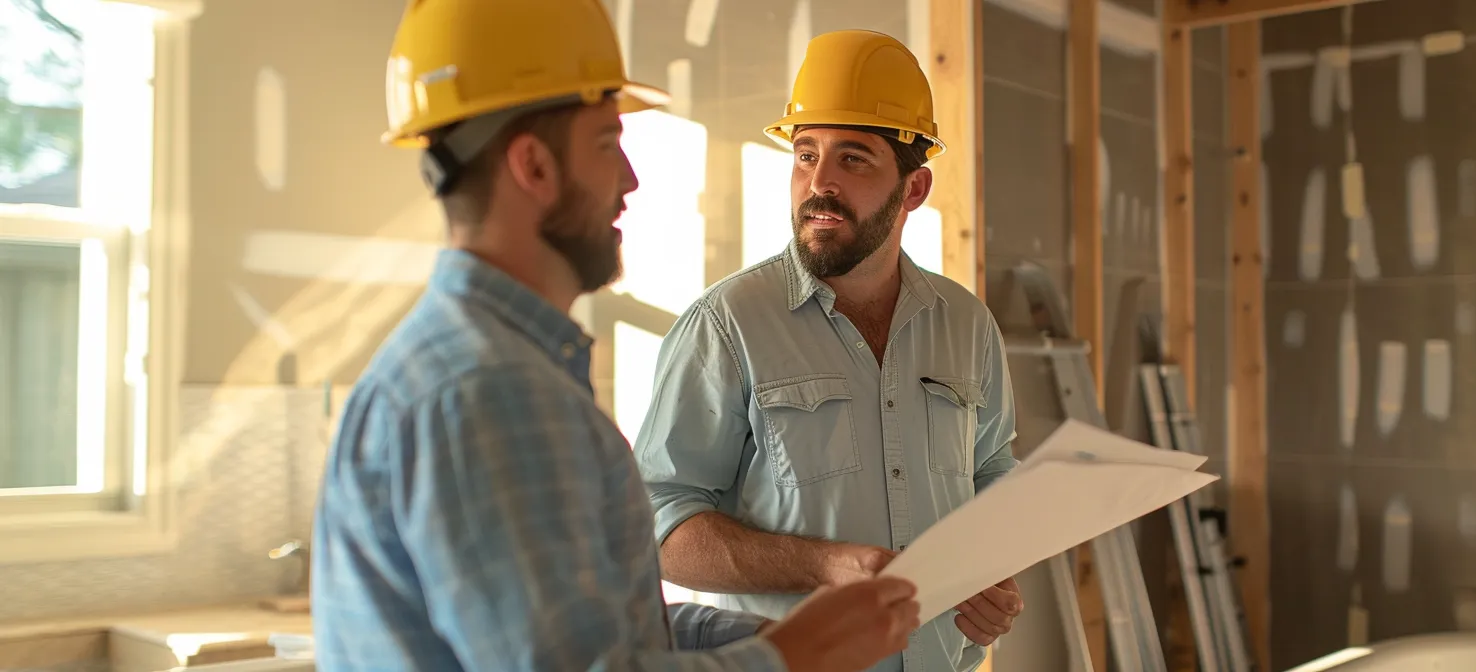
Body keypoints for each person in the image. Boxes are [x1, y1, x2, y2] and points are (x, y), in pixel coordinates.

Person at [309, 3, 921, 670]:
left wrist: (756, 638)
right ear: (534, 167)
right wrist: (796, 657)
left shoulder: (485, 369)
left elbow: (592, 631)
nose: (629, 179)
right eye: (607, 143)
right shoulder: (491, 392)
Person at [632, 29, 1022, 672]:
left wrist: (992, 574)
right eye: (805, 155)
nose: (819, 183)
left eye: (854, 159)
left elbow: (992, 472)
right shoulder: (726, 325)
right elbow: (660, 526)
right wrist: (823, 565)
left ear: (914, 190)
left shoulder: (967, 324)